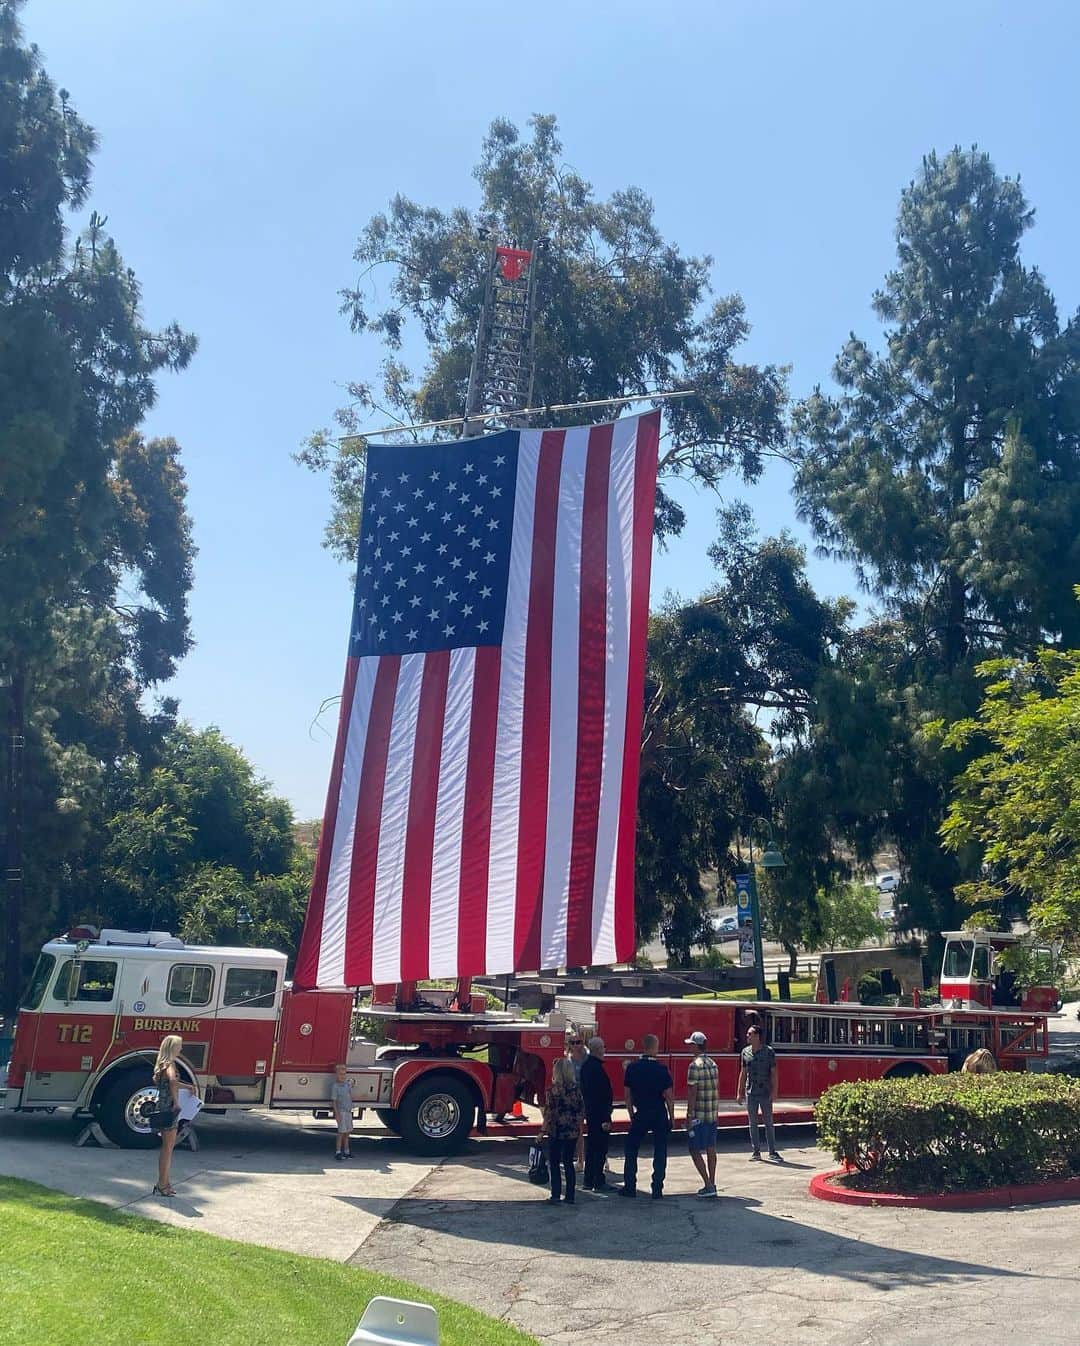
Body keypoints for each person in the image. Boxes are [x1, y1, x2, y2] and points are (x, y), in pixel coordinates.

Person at [621, 1033, 675, 1199]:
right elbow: (669, 1097)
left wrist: (631, 1114)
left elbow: (627, 1096)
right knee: (660, 1150)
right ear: (655, 1048)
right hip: (658, 1112)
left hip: (641, 1111)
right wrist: (671, 1118)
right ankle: (657, 1189)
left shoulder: (632, 1068)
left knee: (631, 1149)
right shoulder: (662, 1069)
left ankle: (630, 1187)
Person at [540, 1056, 584, 1204]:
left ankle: (556, 1194)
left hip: (556, 1130)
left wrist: (542, 1131)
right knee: (568, 1162)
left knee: (554, 1162)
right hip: (571, 1130)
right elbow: (580, 1111)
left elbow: (549, 1113)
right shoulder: (576, 1090)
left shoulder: (552, 1091)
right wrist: (578, 1128)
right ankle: (570, 1195)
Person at [737, 1024, 782, 1162]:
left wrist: (774, 1092)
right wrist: (740, 1092)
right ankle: (756, 1152)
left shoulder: (769, 1052)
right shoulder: (745, 1052)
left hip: (765, 1092)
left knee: (768, 1122)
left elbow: (774, 1073)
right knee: (753, 1123)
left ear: (757, 1036)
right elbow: (743, 1072)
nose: (747, 1036)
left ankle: (772, 1151)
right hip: (751, 1092)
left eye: (750, 1034)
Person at [684, 1031, 719, 1198]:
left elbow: (692, 1093)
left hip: (698, 1115)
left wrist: (689, 1115)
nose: (690, 1047)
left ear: (696, 1046)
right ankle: (712, 1181)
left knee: (694, 1149)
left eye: (691, 1044)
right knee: (711, 1148)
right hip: (712, 1114)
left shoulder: (693, 1066)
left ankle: (707, 1184)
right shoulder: (713, 1063)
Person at [579, 1035, 613, 1192]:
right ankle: (598, 1181)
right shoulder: (596, 1069)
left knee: (592, 1146)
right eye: (604, 1047)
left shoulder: (586, 1066)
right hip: (600, 1115)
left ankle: (588, 1179)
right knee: (600, 1147)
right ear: (599, 1049)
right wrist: (606, 1117)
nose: (605, 1050)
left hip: (591, 1113)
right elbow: (602, 1095)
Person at [152, 1034, 184, 1197]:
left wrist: (187, 1086)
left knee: (167, 1146)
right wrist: (176, 1102)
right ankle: (162, 1184)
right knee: (168, 1148)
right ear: (172, 1048)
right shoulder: (170, 1064)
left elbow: (171, 1081)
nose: (181, 1049)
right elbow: (172, 1081)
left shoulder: (162, 1064)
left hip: (162, 1105)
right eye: (179, 1046)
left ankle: (165, 1181)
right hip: (169, 1107)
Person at [566, 1031, 589, 1171]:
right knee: (578, 1130)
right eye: (573, 1043)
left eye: (578, 1042)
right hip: (575, 1098)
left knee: (594, 1129)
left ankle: (602, 1159)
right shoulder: (568, 1060)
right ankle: (580, 1161)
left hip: (589, 1096)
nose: (576, 1045)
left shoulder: (588, 1057)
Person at [332, 1063, 354, 1159]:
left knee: (347, 1132)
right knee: (341, 1132)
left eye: (344, 1074)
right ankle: (338, 1152)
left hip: (348, 1112)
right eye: (340, 1074)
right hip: (341, 1112)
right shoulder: (335, 1087)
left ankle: (347, 1151)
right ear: (336, 1075)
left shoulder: (347, 1085)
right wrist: (337, 1114)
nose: (342, 1076)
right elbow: (334, 1101)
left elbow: (350, 1096)